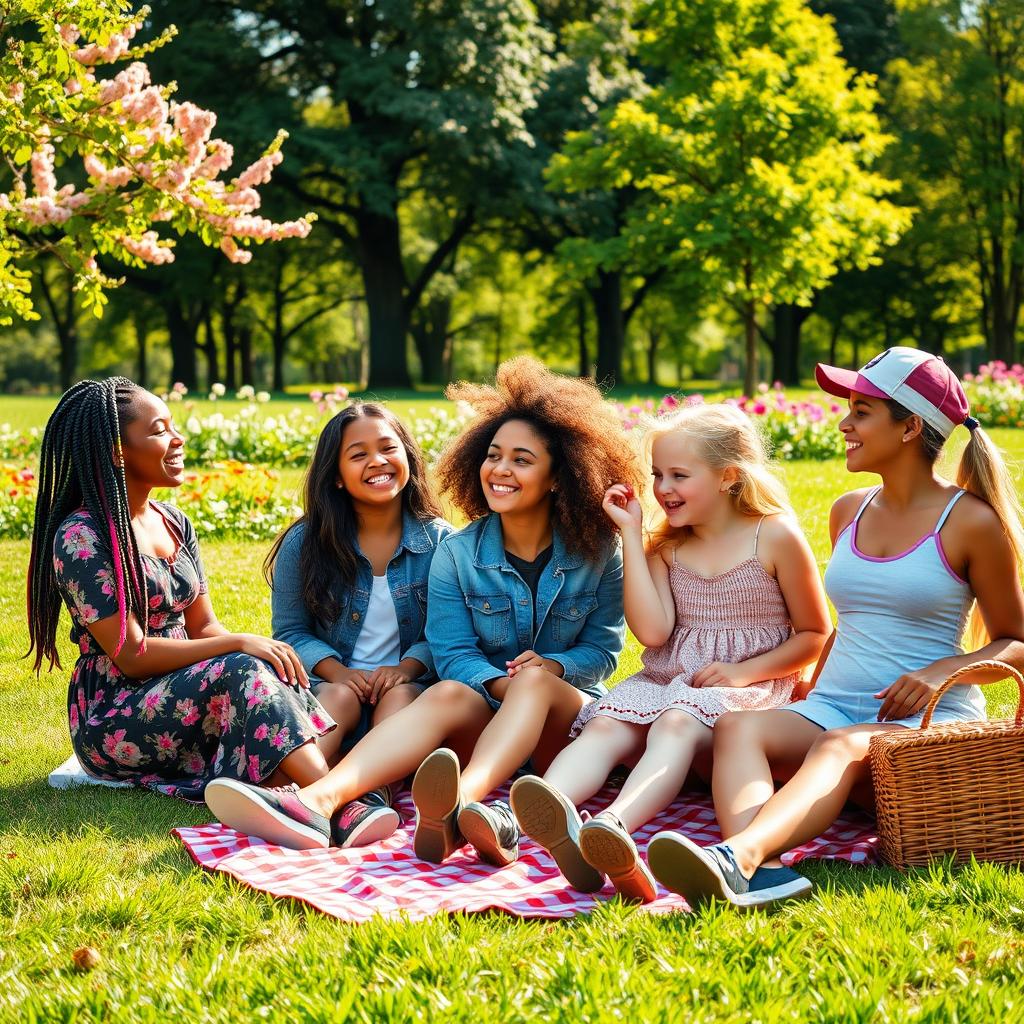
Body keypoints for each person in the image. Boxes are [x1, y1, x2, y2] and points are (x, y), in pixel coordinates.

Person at [203, 357, 640, 856]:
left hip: (563, 732)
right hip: (484, 720)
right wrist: (500, 683)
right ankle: (317, 802)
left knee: (533, 682)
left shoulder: (599, 552)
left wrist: (551, 668)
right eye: (493, 455)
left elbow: (604, 651)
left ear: (561, 476)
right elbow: (451, 651)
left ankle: (463, 801)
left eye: (522, 460)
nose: (500, 469)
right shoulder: (459, 552)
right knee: (447, 692)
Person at [646, 347, 1024, 909]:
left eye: (862, 411)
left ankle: (737, 856)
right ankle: (765, 869)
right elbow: (853, 624)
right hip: (834, 702)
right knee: (737, 727)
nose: (844, 423)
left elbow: (1015, 642)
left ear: (910, 426)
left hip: (925, 718)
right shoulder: (849, 508)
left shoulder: (969, 520)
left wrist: (942, 671)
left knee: (840, 746)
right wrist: (808, 687)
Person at [510, 402, 830, 901]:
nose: (663, 489)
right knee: (606, 724)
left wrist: (744, 673)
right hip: (668, 679)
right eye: (658, 474)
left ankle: (614, 825)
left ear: (728, 477)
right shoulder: (667, 547)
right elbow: (653, 633)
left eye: (679, 475)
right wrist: (631, 538)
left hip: (747, 693)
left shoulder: (774, 535)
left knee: (676, 722)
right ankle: (545, 814)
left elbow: (814, 633)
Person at [27, 378, 335, 803]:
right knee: (242, 666)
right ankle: (336, 802)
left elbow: (204, 626)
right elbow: (132, 656)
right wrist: (240, 645)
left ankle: (314, 794)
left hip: (185, 691)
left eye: (172, 426)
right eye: (159, 430)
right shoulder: (81, 536)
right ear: (118, 451)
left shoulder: (174, 521)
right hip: (117, 714)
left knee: (266, 668)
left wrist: (242, 648)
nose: (178, 439)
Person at [258, 402, 452, 847]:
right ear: (336, 475)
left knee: (401, 696)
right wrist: (338, 671)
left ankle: (370, 797)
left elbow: (446, 632)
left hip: (406, 693)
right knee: (340, 697)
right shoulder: (305, 542)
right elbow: (289, 632)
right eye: (358, 454)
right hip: (332, 689)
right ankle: (289, 789)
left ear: (408, 458)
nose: (377, 461)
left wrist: (407, 668)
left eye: (388, 448)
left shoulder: (440, 541)